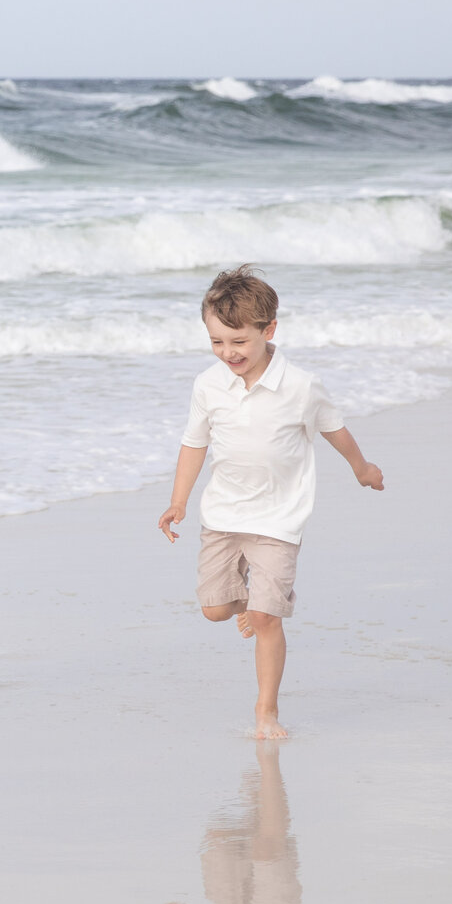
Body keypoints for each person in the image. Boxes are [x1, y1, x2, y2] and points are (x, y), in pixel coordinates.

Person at [158, 267, 385, 739]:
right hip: (222, 515)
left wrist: (362, 469)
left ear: (269, 331)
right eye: (217, 342)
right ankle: (254, 599)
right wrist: (178, 500)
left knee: (264, 619)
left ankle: (266, 711)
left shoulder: (300, 386)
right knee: (216, 610)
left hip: (280, 520)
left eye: (238, 341)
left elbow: (335, 431)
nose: (228, 353)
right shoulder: (208, 386)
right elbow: (193, 444)